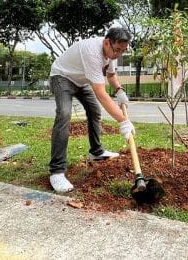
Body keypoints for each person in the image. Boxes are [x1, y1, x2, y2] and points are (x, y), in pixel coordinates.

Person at [48, 27, 135, 193]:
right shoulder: (92, 51)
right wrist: (123, 121)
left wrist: (119, 91)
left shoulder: (112, 53)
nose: (118, 55)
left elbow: (111, 76)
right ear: (107, 42)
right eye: (117, 50)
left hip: (80, 81)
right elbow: (101, 93)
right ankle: (56, 172)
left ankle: (96, 152)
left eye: (122, 52)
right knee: (64, 114)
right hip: (61, 77)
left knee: (94, 111)